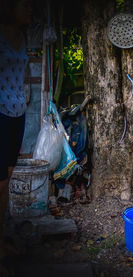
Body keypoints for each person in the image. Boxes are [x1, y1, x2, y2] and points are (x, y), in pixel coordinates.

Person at [0, 0, 33, 275]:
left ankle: (1, 241)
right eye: (25, 4)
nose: (30, 8)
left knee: (6, 181)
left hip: (17, 112)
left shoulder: (21, 37)